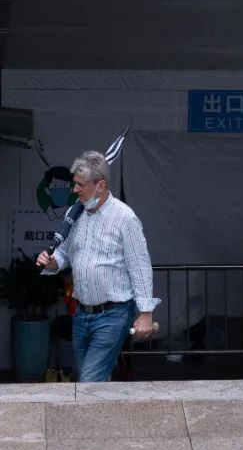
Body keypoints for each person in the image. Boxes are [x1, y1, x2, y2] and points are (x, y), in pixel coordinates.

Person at [36, 150, 157, 382]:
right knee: (90, 380)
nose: (75, 190)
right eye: (75, 184)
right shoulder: (76, 213)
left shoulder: (125, 218)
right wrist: (52, 262)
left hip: (114, 314)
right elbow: (64, 253)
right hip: (82, 313)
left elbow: (140, 268)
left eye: (81, 185)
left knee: (89, 380)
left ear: (100, 185)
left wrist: (145, 313)